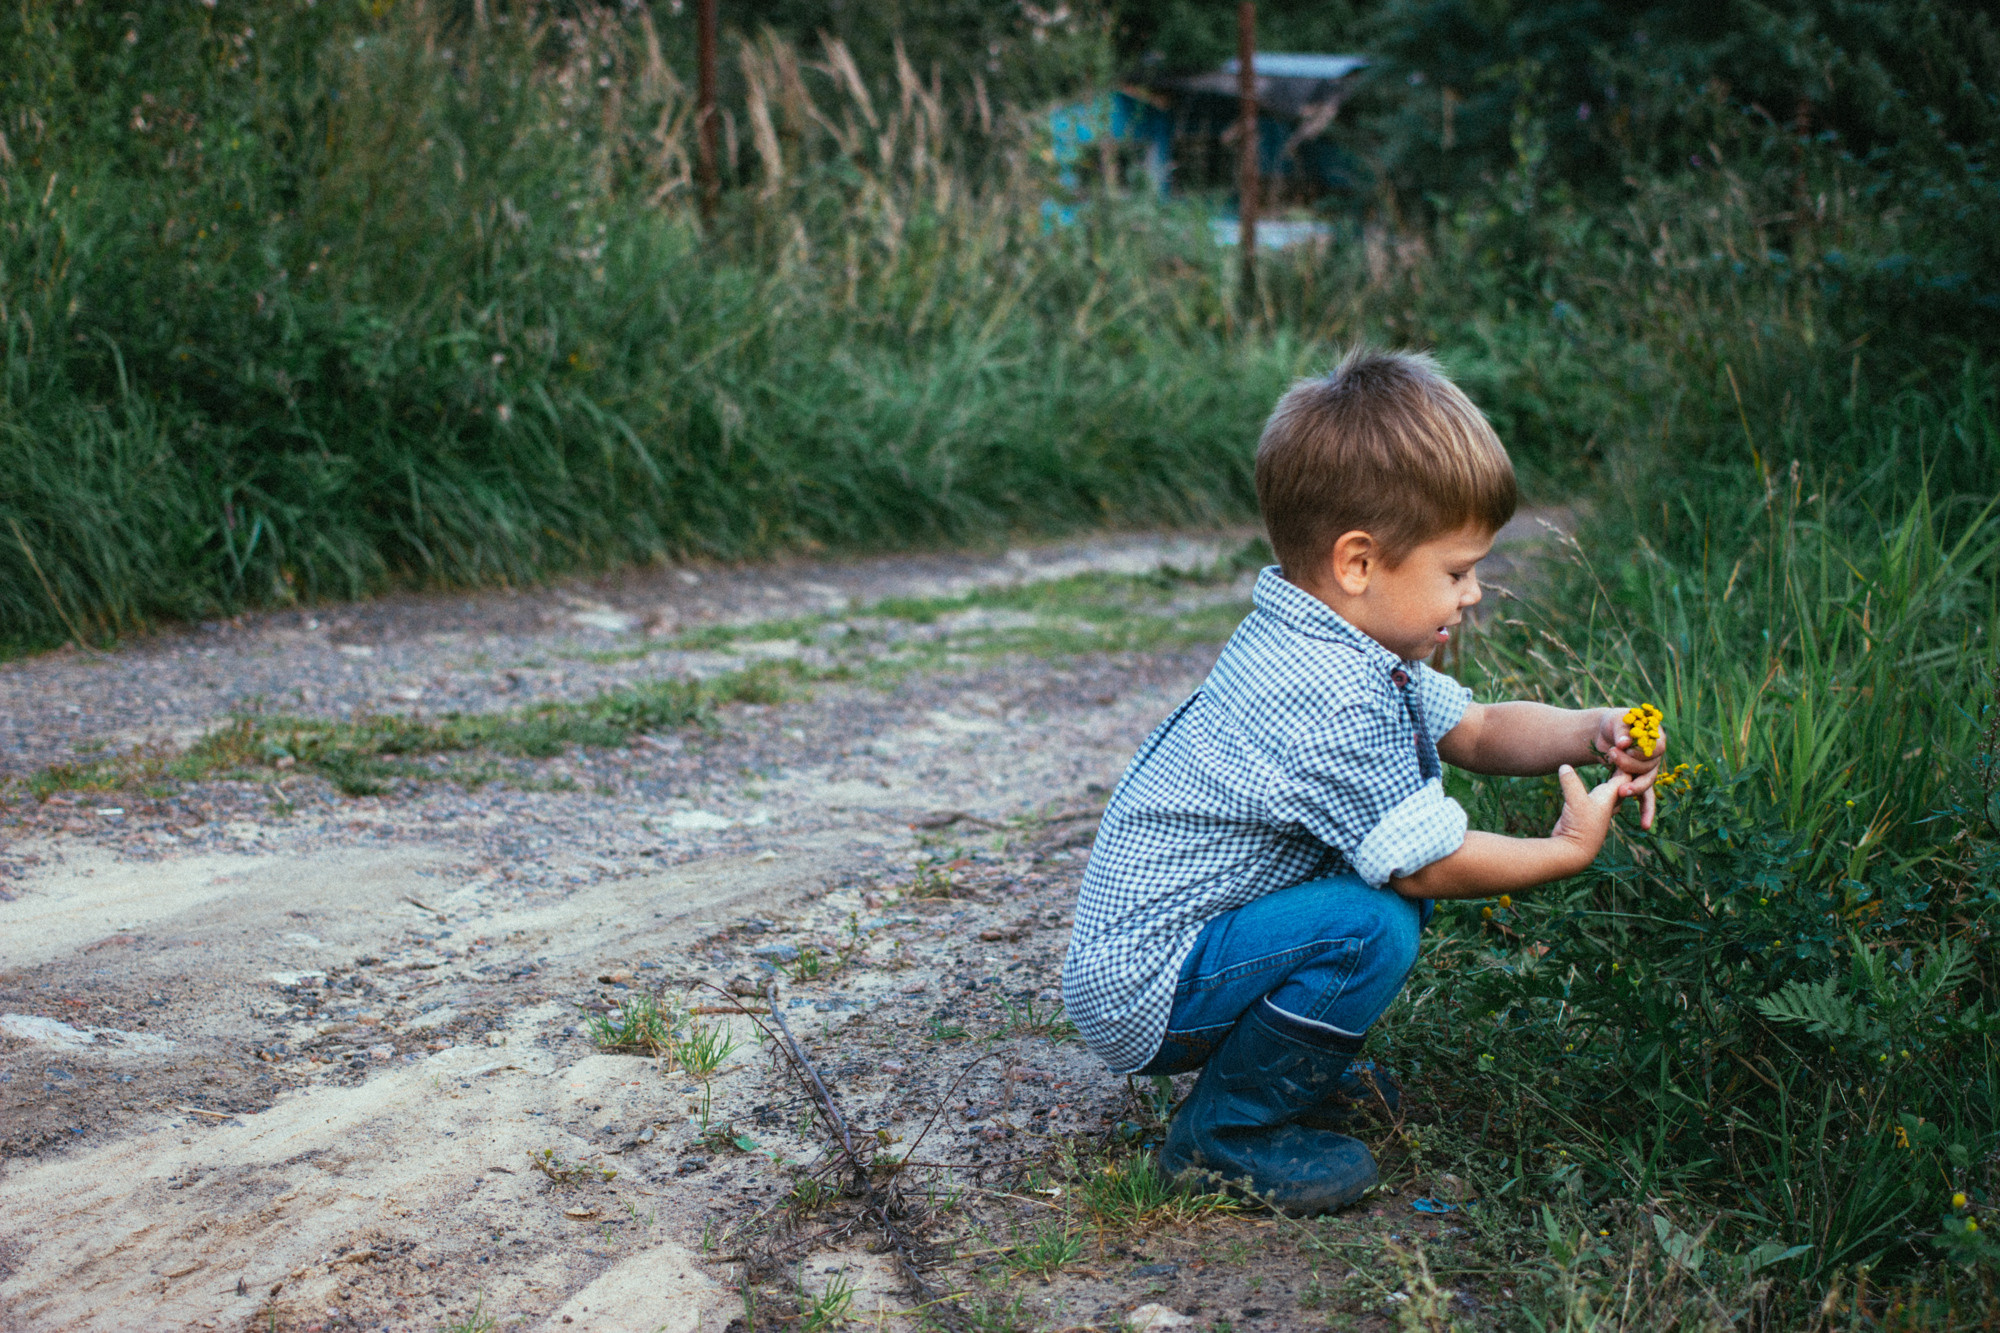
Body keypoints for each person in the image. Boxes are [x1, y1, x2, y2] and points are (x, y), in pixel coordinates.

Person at [1060, 347, 1664, 1214]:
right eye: (1456, 572)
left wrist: (1592, 728)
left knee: (1369, 895)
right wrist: (1564, 849)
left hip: (1183, 948)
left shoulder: (1339, 637)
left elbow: (1479, 726)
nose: (1476, 594)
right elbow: (1428, 863)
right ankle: (1222, 1137)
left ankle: (1288, 1073)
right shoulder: (1325, 690)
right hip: (1149, 982)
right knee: (1376, 915)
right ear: (1358, 564)